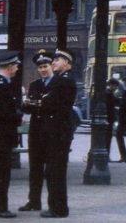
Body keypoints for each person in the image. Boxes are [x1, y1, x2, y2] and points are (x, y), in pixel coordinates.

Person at [37, 48, 76, 219]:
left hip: (59, 132)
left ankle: (58, 208)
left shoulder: (64, 81)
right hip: (57, 131)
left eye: (57, 60)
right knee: (54, 171)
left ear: (66, 63)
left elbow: (49, 102)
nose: (53, 63)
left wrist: (42, 101)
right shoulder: (60, 80)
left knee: (55, 171)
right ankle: (57, 206)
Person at [0, 51, 23, 219]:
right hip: (2, 136)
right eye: (15, 66)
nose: (17, 69)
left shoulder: (0, 83)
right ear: (9, 67)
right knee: (0, 173)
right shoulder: (1, 86)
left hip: (0, 135)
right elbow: (3, 114)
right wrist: (19, 119)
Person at [18, 50, 54, 212]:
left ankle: (52, 204)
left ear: (51, 66)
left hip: (51, 132)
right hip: (36, 132)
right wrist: (31, 104)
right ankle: (34, 201)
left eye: (45, 66)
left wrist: (37, 103)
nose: (43, 70)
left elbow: (52, 106)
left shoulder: (57, 84)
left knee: (52, 170)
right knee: (35, 169)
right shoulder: (34, 85)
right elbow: (27, 107)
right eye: (40, 68)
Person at [105, 78, 121, 160]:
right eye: (115, 86)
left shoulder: (108, 93)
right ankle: (106, 155)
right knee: (107, 138)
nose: (116, 88)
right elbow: (114, 102)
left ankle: (106, 155)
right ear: (111, 85)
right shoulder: (109, 93)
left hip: (108, 118)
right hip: (109, 118)